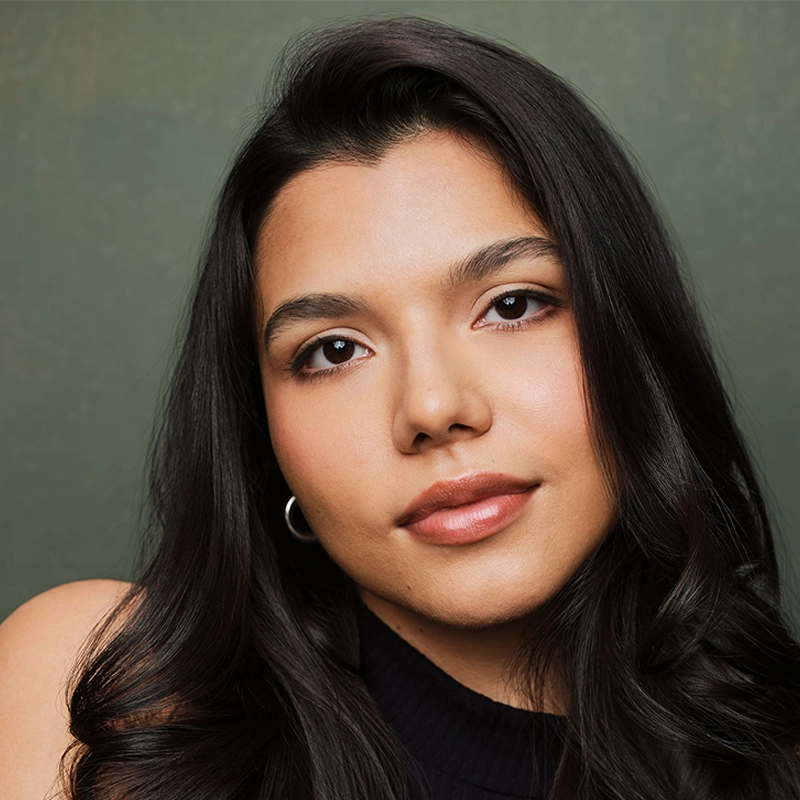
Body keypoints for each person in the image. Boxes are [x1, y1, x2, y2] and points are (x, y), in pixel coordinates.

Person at [1, 15, 799, 800]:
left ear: (632, 334)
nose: (432, 407)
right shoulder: (108, 703)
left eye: (514, 304)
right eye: (334, 350)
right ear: (262, 429)